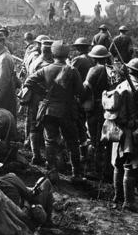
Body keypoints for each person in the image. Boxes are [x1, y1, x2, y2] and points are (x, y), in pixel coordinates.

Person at [24, 41, 85, 182]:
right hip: (67, 111)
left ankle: (52, 172)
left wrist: (44, 92)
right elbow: (80, 91)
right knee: (72, 142)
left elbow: (28, 82)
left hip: (49, 110)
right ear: (67, 54)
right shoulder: (72, 70)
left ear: (53, 53)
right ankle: (76, 175)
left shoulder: (46, 69)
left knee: (50, 141)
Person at [108, 58, 138, 211]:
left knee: (118, 163)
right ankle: (128, 202)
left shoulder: (121, 85)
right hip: (133, 131)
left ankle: (118, 197)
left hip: (118, 129)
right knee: (131, 165)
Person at [83, 45, 111, 175]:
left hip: (94, 108)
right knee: (104, 137)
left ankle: (91, 169)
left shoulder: (93, 70)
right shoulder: (111, 71)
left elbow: (86, 88)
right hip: (107, 108)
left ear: (94, 58)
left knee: (93, 137)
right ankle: (104, 168)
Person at [24, 39, 53, 165]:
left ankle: (36, 155)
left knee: (33, 125)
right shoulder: (44, 64)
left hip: (34, 97)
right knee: (43, 125)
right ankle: (43, 157)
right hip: (40, 98)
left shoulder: (36, 60)